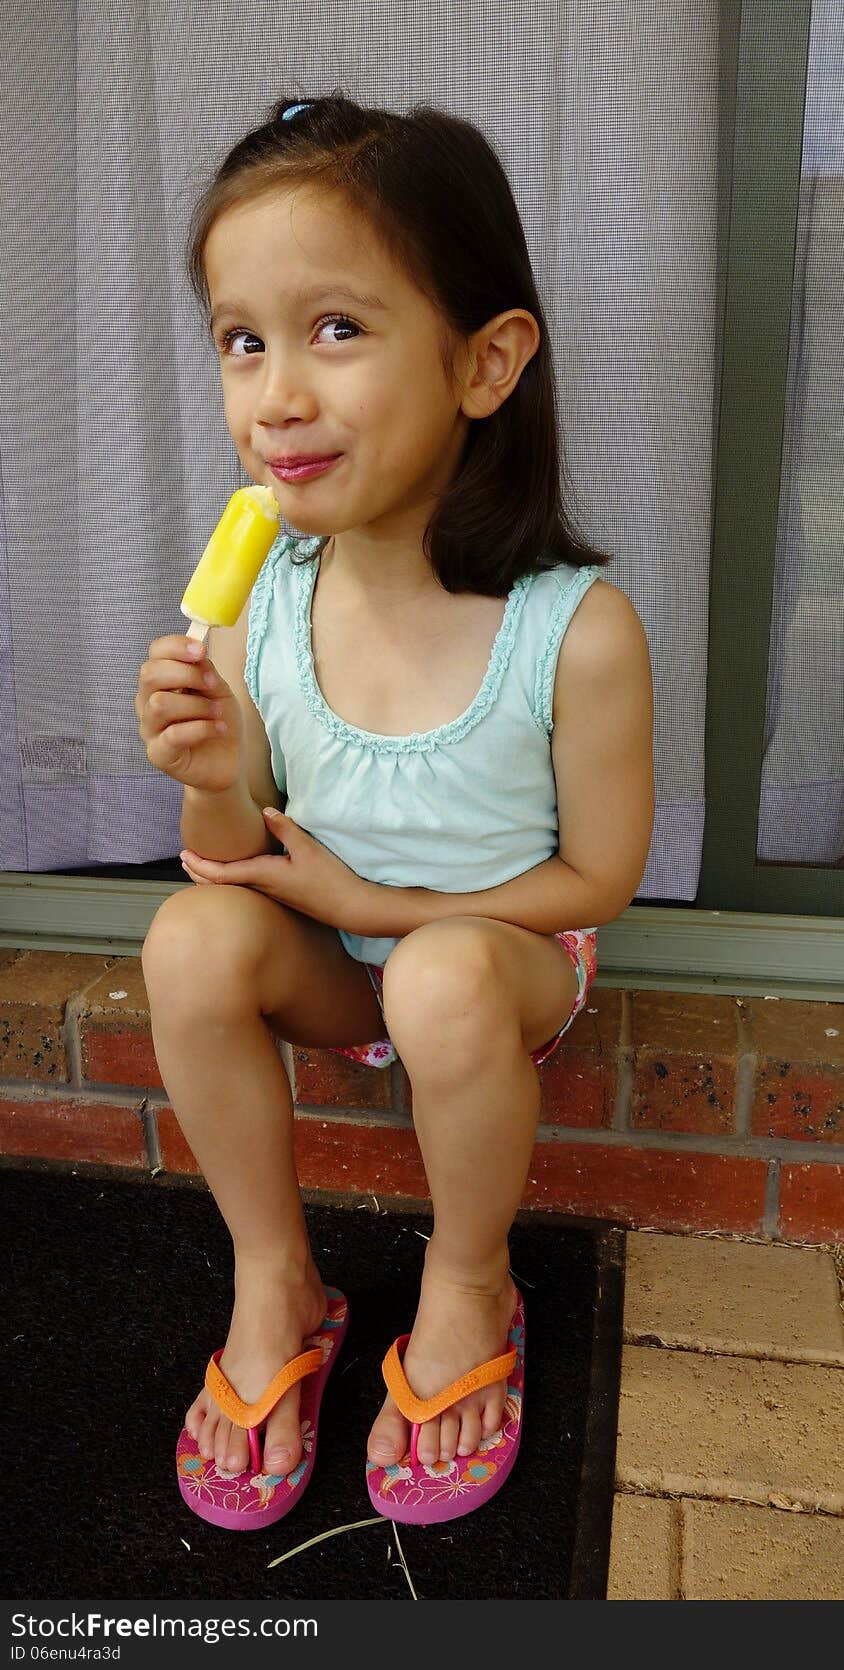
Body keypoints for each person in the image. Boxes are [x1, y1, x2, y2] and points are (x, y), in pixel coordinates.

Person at [136, 92, 654, 1530]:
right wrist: (209, 769)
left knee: (432, 975)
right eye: (244, 339)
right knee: (187, 939)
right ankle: (274, 1278)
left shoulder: (578, 631)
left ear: (484, 362)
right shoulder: (264, 603)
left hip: (501, 962)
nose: (276, 393)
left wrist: (378, 908)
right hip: (332, 951)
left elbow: (598, 879)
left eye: (337, 330)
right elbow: (244, 862)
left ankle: (469, 1279)